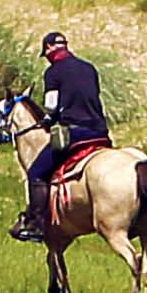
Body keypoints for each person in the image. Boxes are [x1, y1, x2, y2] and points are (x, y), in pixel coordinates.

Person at [21, 29, 113, 244]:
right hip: (100, 133)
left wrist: (48, 120)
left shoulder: (53, 72)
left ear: (49, 48)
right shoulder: (89, 68)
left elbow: (52, 106)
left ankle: (35, 224)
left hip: (75, 133)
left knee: (36, 172)